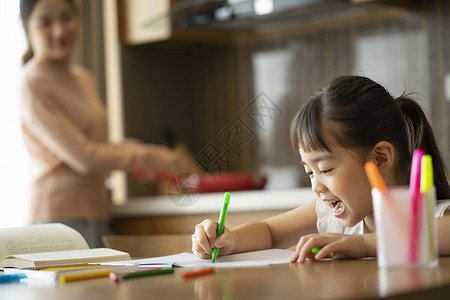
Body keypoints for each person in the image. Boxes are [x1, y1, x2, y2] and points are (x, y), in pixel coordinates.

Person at [192, 75, 450, 262]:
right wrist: (229, 239)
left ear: (380, 159)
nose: (316, 187)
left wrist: (362, 245)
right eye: (309, 172)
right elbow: (270, 232)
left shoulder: (433, 215)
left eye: (325, 169)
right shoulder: (336, 218)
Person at [18, 0, 197, 247]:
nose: (59, 30)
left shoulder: (83, 78)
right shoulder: (32, 83)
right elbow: (85, 157)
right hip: (56, 219)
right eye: (45, 22)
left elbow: (92, 146)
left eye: (65, 17)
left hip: (97, 211)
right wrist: (156, 157)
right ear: (27, 29)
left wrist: (125, 149)